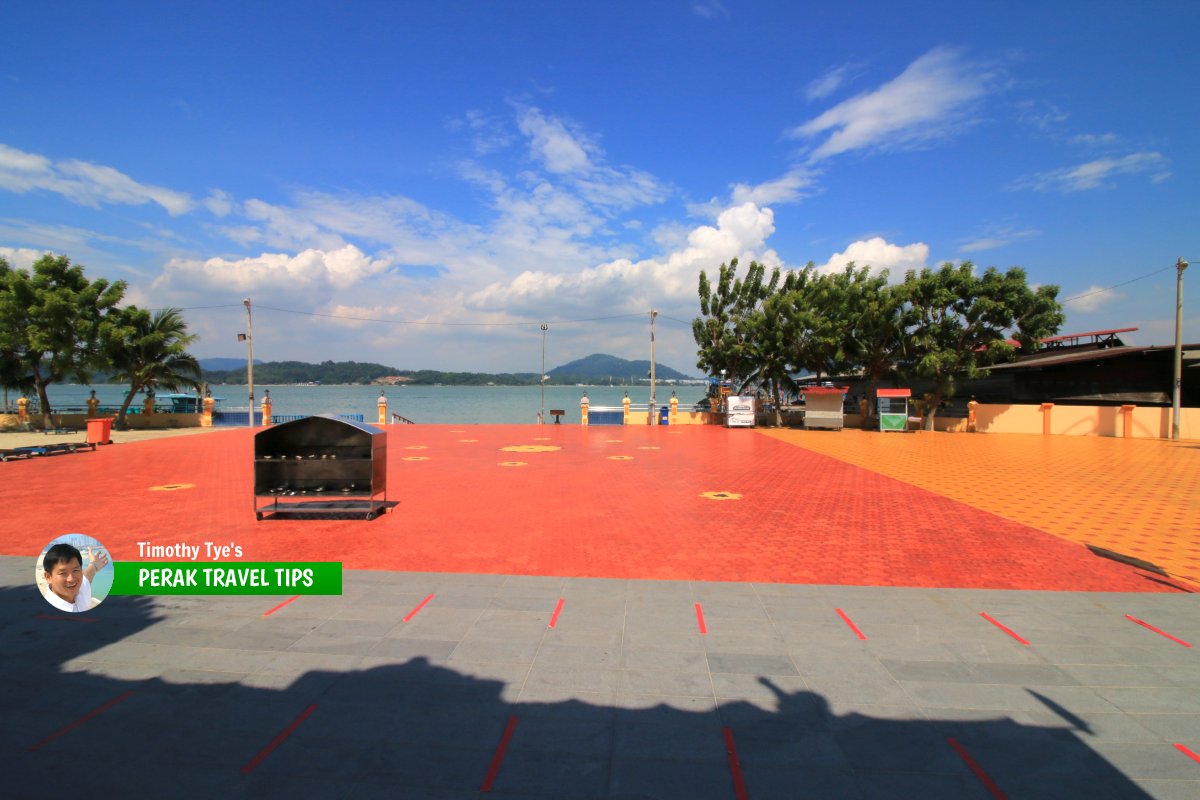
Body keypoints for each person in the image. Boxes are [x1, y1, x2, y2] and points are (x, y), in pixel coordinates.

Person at [41, 543, 109, 613]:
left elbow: (87, 575)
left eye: (75, 570)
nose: (71, 579)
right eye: (63, 573)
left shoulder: (80, 589)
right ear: (48, 577)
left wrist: (94, 565)